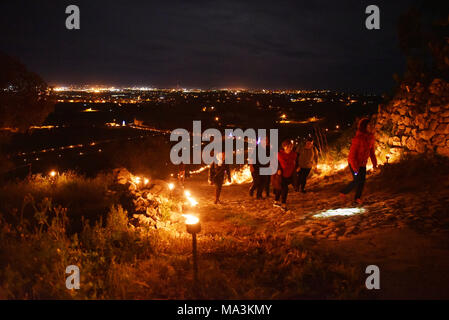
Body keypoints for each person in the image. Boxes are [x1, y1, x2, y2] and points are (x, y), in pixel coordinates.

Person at [340, 118, 378, 204]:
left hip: (363, 164)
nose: (371, 127)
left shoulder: (371, 138)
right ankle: (343, 192)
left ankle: (357, 198)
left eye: (371, 125)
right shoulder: (358, 139)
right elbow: (352, 155)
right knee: (357, 180)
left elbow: (372, 152)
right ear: (364, 127)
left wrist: (375, 164)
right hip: (354, 163)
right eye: (369, 125)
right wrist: (355, 168)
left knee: (362, 181)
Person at [274, 139, 297, 211]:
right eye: (287, 146)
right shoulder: (279, 154)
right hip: (281, 175)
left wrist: (297, 167)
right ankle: (283, 204)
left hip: (289, 174)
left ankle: (276, 201)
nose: (289, 148)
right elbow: (276, 162)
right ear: (284, 147)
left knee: (280, 189)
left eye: (290, 146)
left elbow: (295, 162)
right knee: (284, 189)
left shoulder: (294, 154)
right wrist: (278, 169)